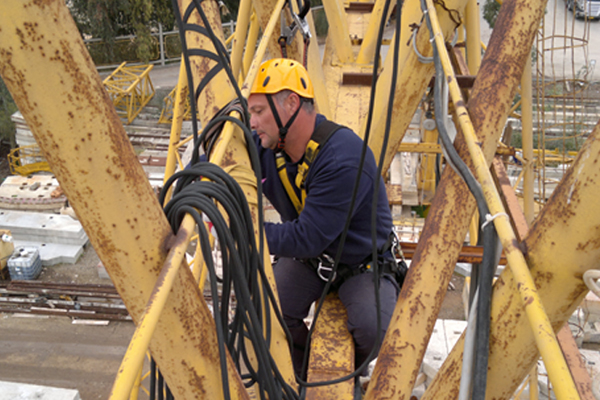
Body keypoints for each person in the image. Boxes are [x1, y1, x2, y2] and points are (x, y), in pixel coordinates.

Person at [248, 58, 401, 377]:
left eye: (258, 111)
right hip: (312, 260)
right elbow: (227, 149)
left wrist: (244, 230)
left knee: (374, 330)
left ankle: (346, 375)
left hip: (361, 263)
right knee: (266, 309)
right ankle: (304, 373)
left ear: (291, 104)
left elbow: (307, 238)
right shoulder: (271, 143)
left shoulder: (343, 159)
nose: (252, 122)